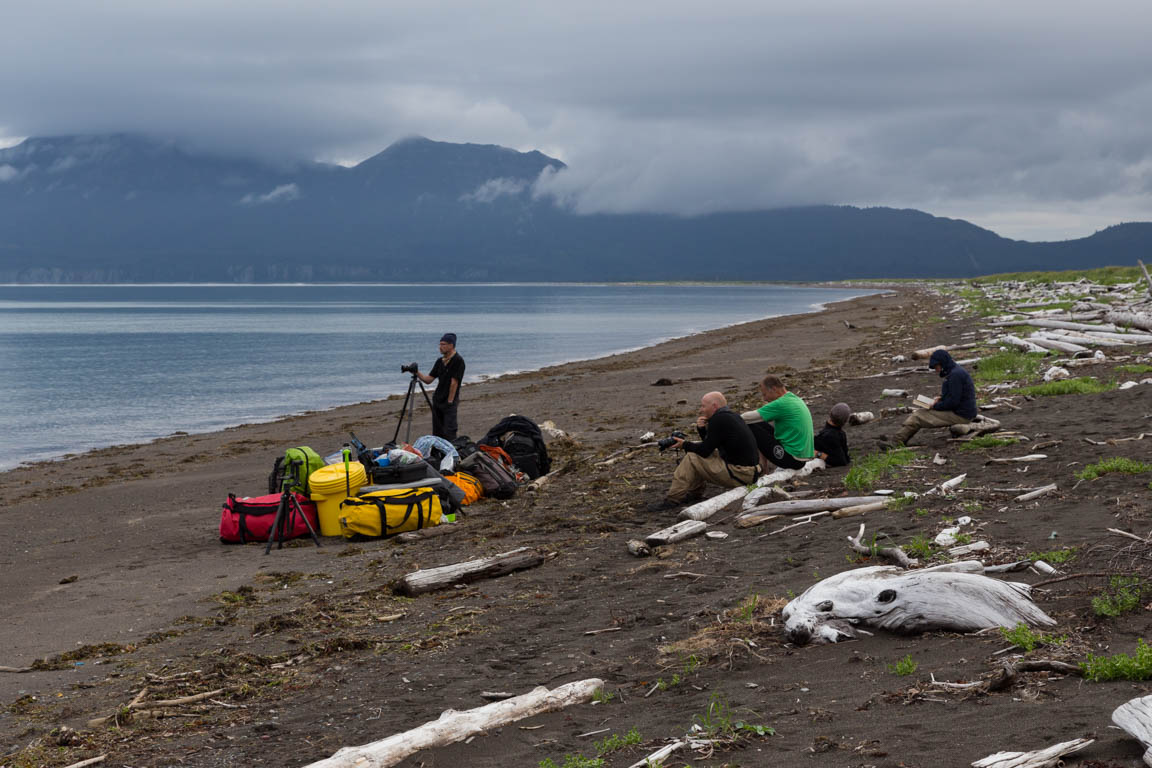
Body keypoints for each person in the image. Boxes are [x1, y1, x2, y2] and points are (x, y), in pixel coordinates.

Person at [650, 391, 760, 512]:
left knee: (692, 457)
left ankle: (673, 499)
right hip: (750, 472)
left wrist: (684, 445)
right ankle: (695, 494)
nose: (701, 410)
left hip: (740, 474)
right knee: (697, 453)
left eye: (703, 406)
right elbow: (710, 446)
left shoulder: (718, 419)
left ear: (714, 406)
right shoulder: (731, 416)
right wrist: (701, 430)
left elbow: (704, 451)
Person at [880, 349, 975, 448]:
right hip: (963, 412)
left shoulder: (955, 375)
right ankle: (899, 438)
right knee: (920, 413)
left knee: (917, 416)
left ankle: (896, 442)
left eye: (936, 367)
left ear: (942, 362)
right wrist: (941, 399)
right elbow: (956, 395)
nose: (936, 370)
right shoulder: (956, 371)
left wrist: (935, 405)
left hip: (961, 415)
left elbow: (953, 402)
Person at [741, 375, 815, 471]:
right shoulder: (793, 398)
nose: (764, 399)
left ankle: (757, 468)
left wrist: (726, 419)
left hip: (792, 460)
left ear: (774, 389)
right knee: (757, 424)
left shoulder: (781, 403)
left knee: (748, 425)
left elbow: (745, 418)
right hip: (802, 457)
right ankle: (764, 468)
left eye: (765, 395)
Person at [416, 333, 465, 440]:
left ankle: (451, 453)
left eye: (443, 344)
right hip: (438, 400)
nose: (440, 347)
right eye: (440, 344)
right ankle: (438, 453)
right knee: (437, 431)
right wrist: (416, 372)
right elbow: (429, 379)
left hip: (449, 402)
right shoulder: (440, 361)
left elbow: (454, 382)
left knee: (449, 431)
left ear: (451, 345)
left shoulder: (458, 360)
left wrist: (450, 401)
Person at [814, 402, 852, 467]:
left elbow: (841, 461)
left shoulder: (829, 436)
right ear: (845, 421)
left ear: (830, 414)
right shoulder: (841, 434)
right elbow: (846, 458)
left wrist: (818, 454)